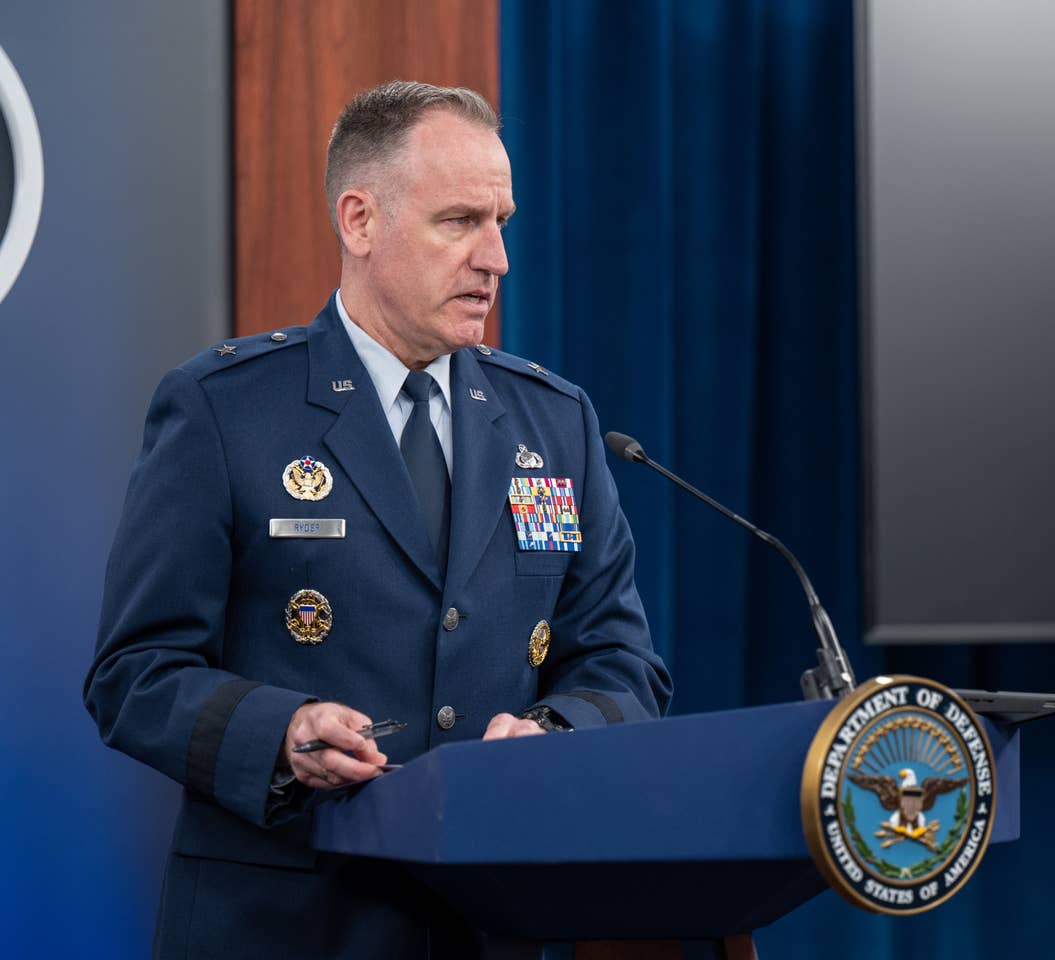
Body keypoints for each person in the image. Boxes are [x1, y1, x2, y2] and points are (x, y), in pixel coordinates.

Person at [83, 80, 672, 959]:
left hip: (487, 922)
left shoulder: (555, 423)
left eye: (502, 221)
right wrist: (277, 733)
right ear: (359, 222)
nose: (496, 258)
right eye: (460, 222)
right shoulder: (224, 410)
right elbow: (133, 674)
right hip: (283, 924)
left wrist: (557, 735)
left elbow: (625, 667)